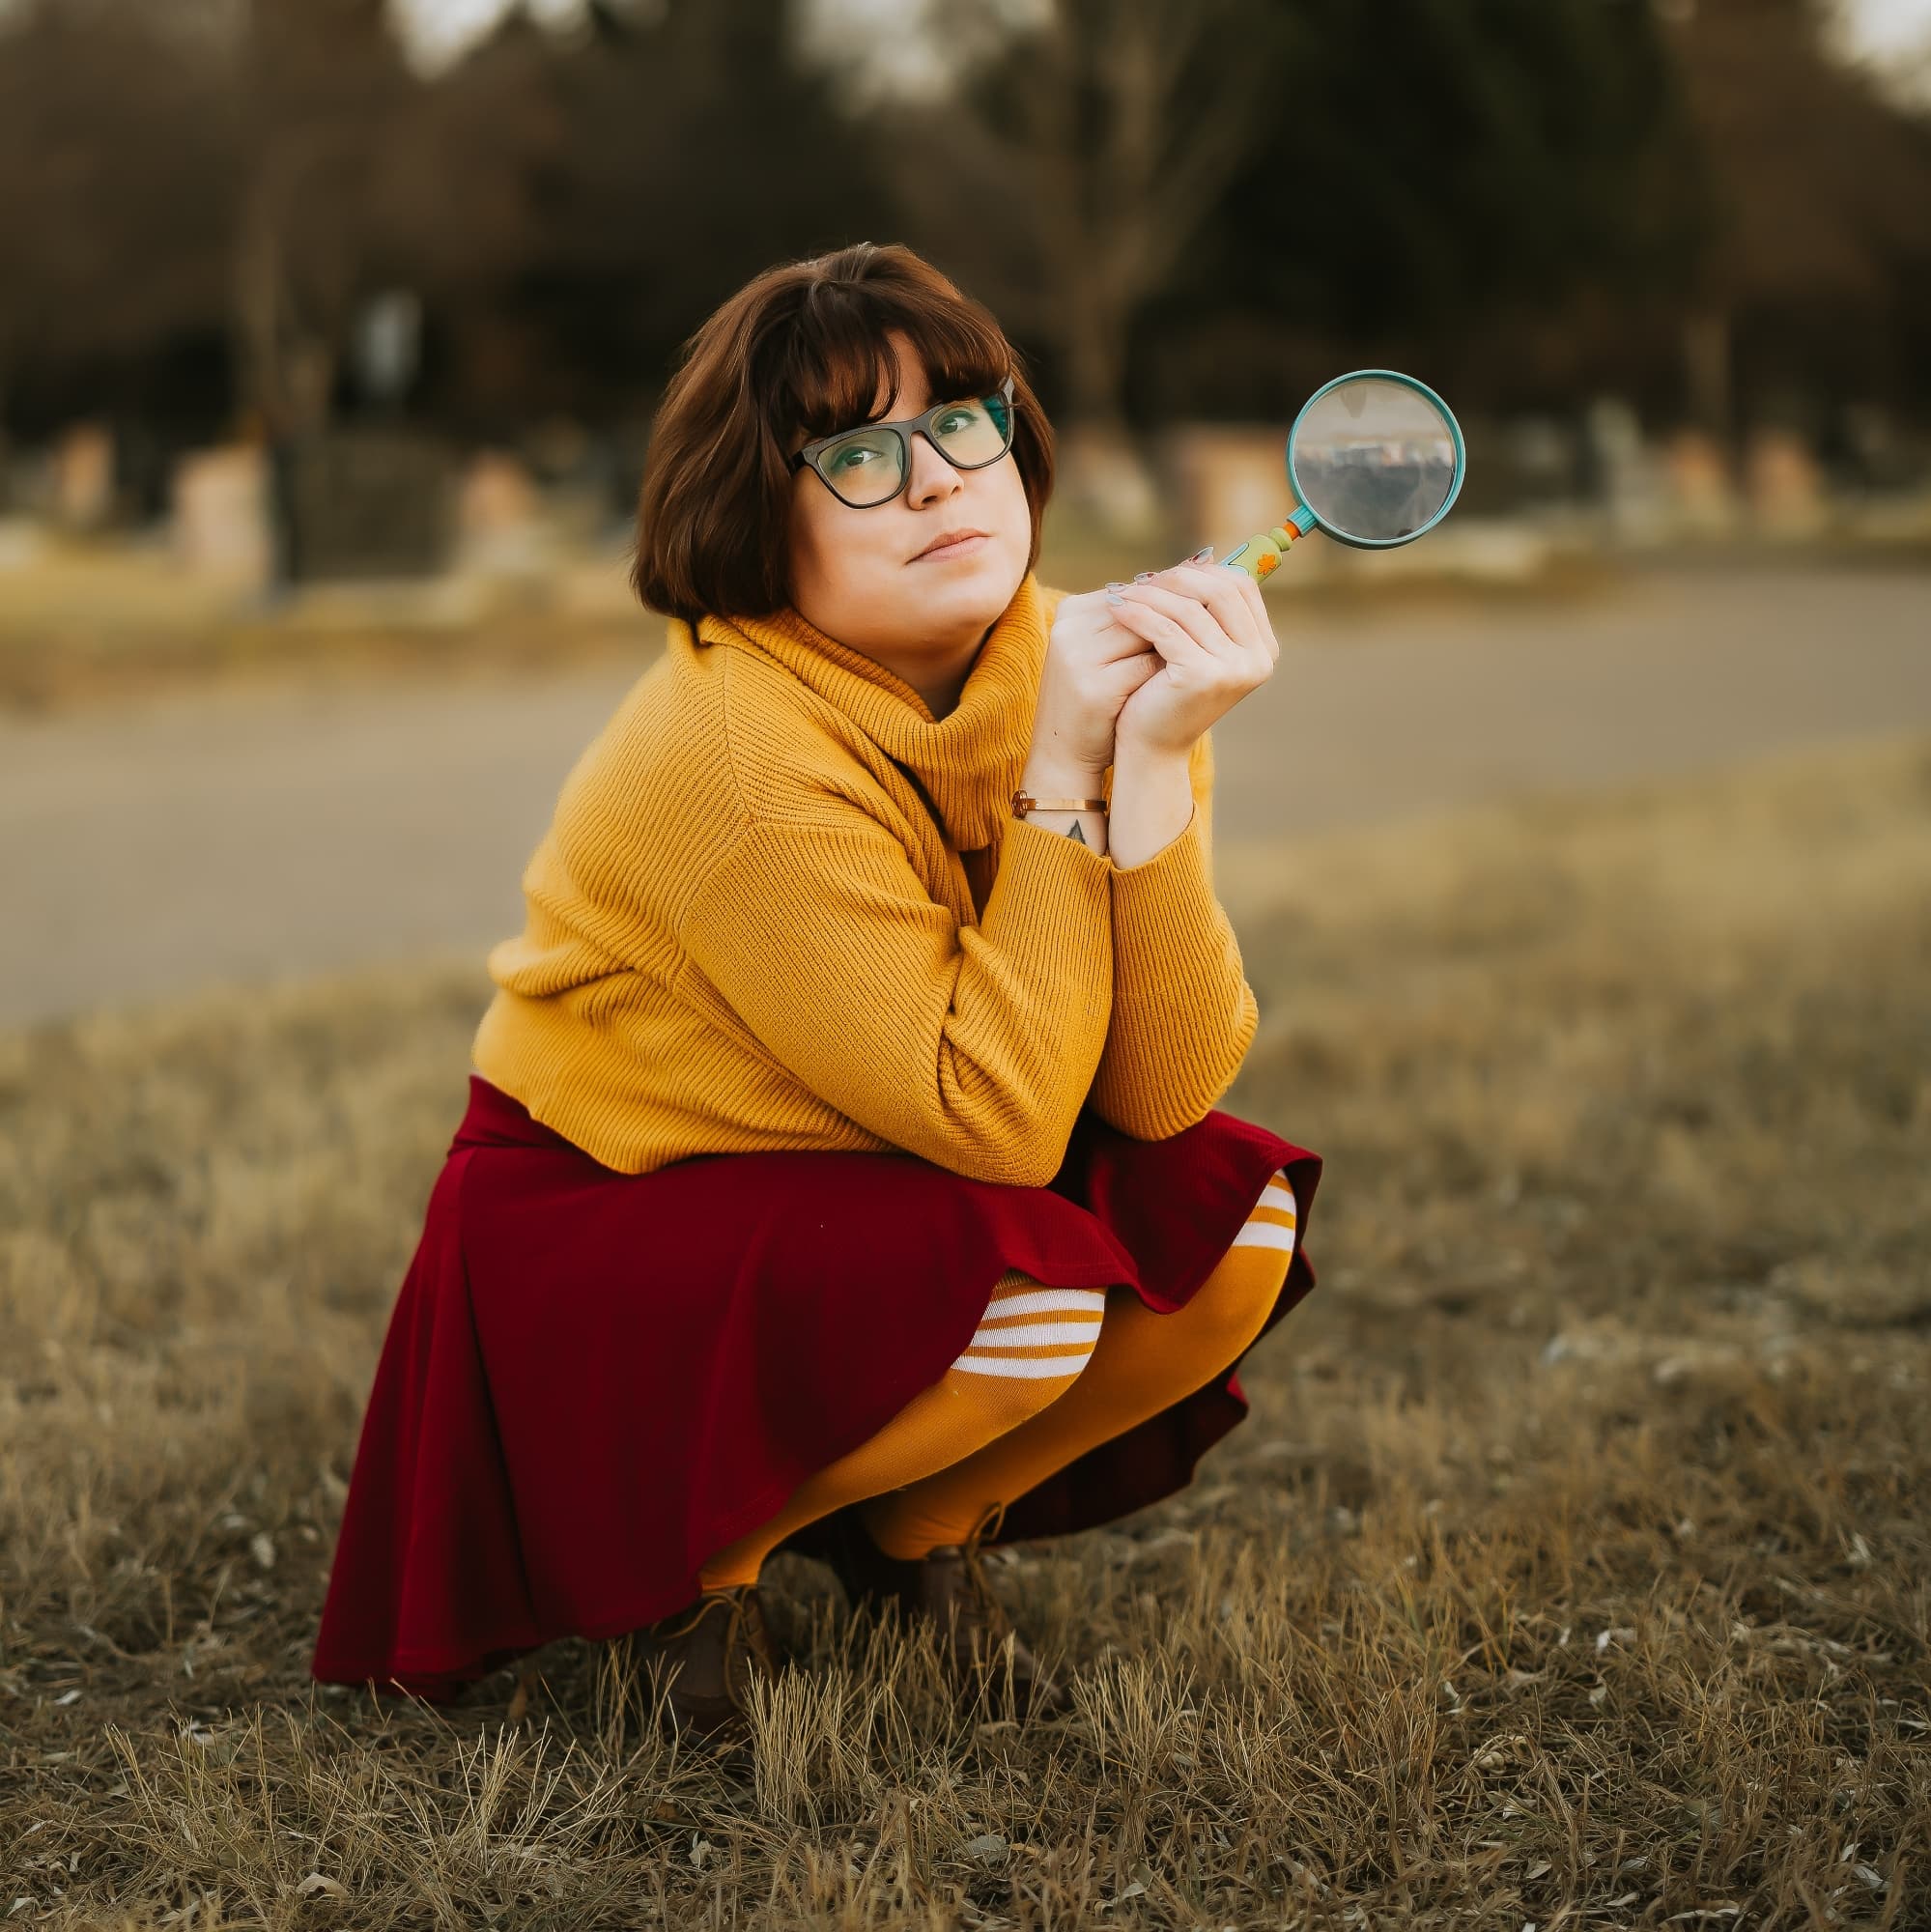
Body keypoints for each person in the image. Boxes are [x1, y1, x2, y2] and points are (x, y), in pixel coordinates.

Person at [310, 242, 1322, 1750]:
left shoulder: (1062, 655)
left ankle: (915, 1538)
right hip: (623, 1194)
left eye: (964, 421)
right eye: (857, 453)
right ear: (752, 510)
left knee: (1232, 1218)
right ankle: (697, 1579)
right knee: (1028, 1298)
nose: (935, 482)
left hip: (876, 1144)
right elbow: (995, 1126)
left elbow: (1159, 1092)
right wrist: (1065, 779)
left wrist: (1157, 756)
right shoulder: (737, 751)